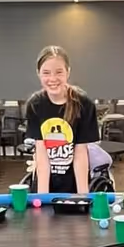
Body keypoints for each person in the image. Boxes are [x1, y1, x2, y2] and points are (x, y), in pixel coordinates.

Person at [25, 46, 99, 195]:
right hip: (45, 183)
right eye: (46, 73)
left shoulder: (84, 104)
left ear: (68, 72)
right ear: (38, 74)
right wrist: (43, 198)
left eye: (59, 72)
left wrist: (82, 196)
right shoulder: (35, 104)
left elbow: (80, 154)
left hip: (73, 185)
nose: (52, 79)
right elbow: (41, 153)